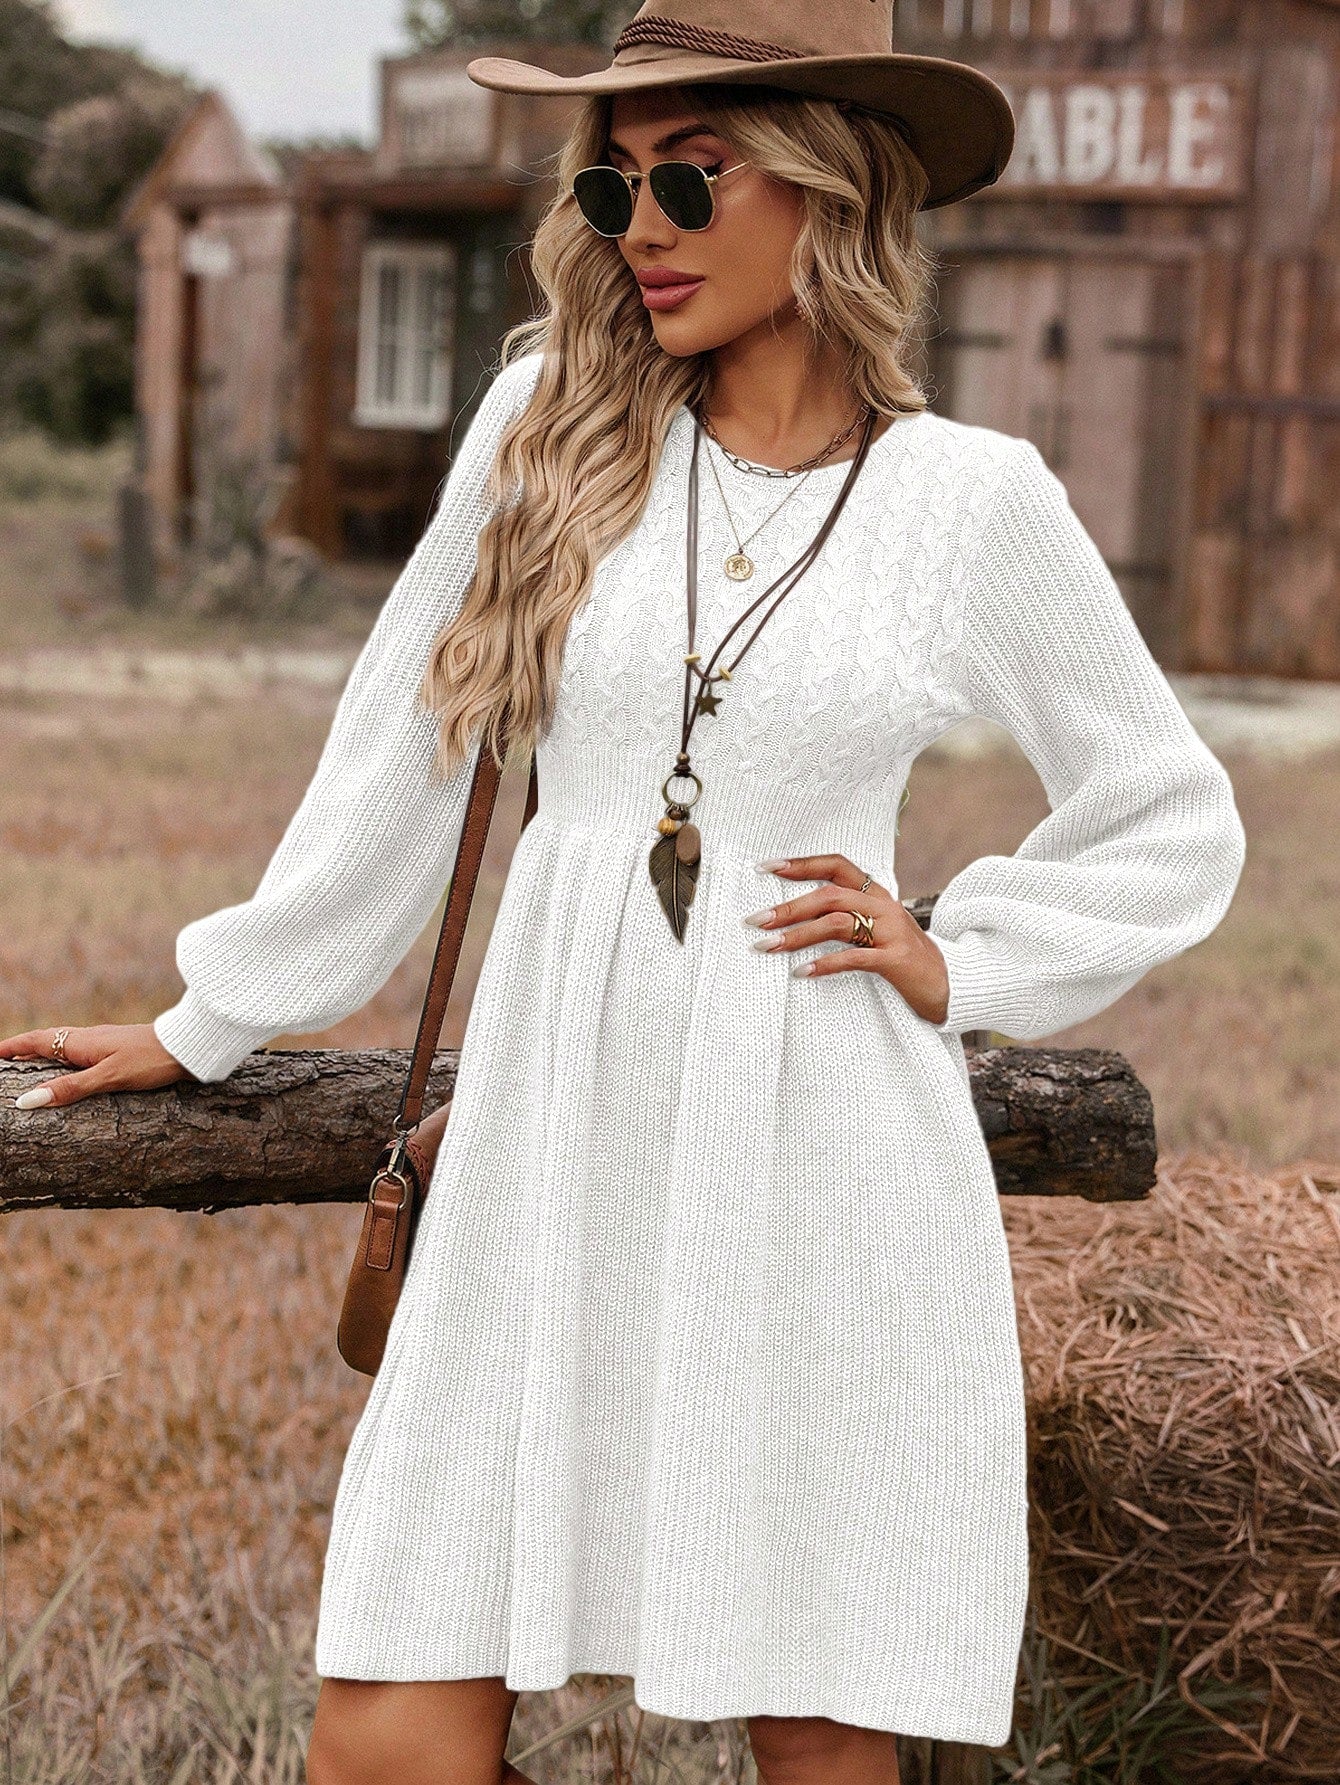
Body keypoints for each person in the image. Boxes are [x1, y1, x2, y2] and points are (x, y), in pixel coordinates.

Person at [3, 3, 1248, 1781]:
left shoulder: (971, 503)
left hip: (822, 1151)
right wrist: (211, 1017)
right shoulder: (549, 426)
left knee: (819, 1738)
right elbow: (398, 756)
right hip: (549, 1130)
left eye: (690, 178)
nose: (639, 226)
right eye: (613, 184)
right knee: (389, 1730)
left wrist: (958, 954)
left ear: (830, 191)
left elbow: (1170, 814)